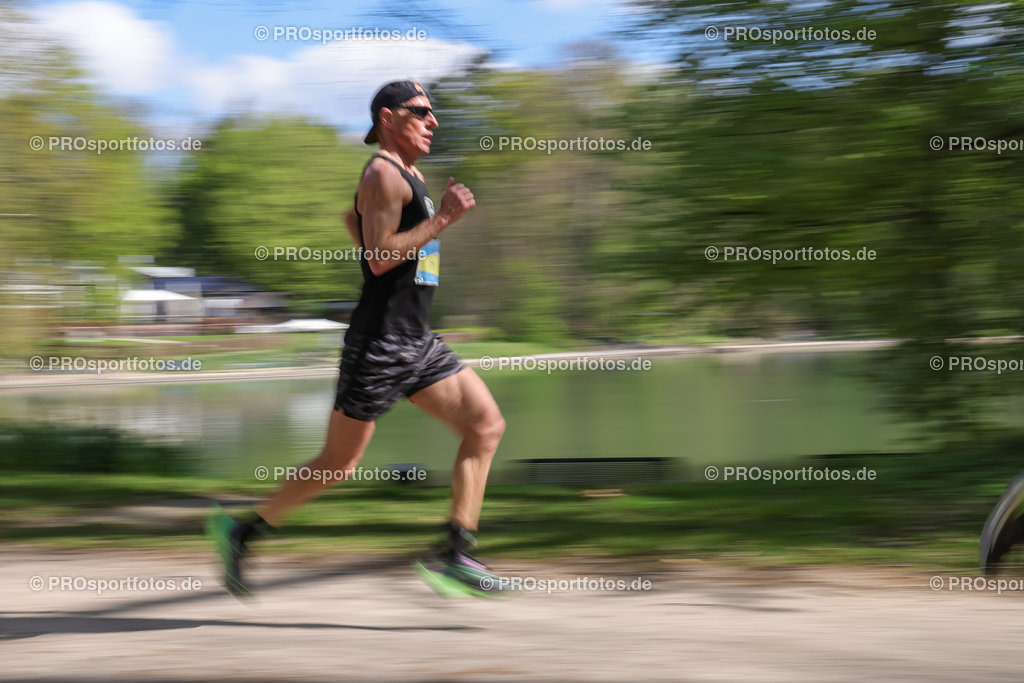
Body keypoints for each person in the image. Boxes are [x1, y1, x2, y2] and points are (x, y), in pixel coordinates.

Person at [207, 80, 507, 598]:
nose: (433, 121)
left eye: (434, 113)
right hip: (379, 345)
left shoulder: (410, 175)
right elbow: (380, 257)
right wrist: (444, 220)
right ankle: (243, 532)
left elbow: (359, 224)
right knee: (339, 464)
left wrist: (400, 224)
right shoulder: (383, 173)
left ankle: (456, 553)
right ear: (389, 118)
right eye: (422, 112)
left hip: (417, 340)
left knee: (485, 427)